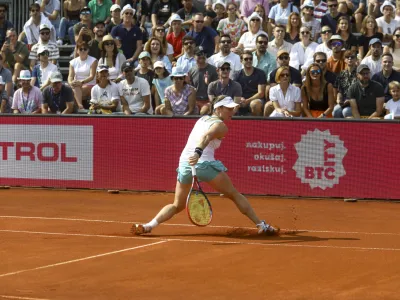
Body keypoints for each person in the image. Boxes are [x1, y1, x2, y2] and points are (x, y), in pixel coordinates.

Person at [132, 94, 280, 236]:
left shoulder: (202, 119)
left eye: (233, 108)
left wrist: (194, 155)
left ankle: (148, 226)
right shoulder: (221, 126)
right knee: (234, 194)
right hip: (203, 163)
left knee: (177, 205)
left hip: (185, 164)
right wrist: (197, 153)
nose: (232, 111)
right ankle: (261, 225)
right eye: (228, 108)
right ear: (218, 109)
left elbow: (204, 136)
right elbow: (207, 136)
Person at [234, 51, 266, 116]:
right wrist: (240, 99)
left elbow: (261, 93)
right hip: (241, 100)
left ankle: (257, 125)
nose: (249, 60)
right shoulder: (237, 74)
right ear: (241, 60)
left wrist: (247, 101)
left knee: (254, 104)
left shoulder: (260, 73)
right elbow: (234, 91)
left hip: (256, 99)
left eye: (250, 59)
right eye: (246, 59)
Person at [68, 41, 98, 110]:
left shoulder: (93, 60)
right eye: (81, 49)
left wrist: (81, 82)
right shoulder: (73, 62)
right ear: (77, 51)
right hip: (77, 85)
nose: (83, 50)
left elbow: (92, 76)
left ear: (88, 50)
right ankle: (79, 106)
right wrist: (71, 83)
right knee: (73, 89)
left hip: (90, 84)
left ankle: (78, 107)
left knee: (74, 91)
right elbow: (70, 76)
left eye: (85, 49)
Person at [189, 46, 218, 115]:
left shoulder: (213, 70)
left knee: (203, 112)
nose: (202, 56)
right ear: (194, 56)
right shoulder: (192, 70)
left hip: (208, 100)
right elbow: (191, 88)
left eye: (204, 54)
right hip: (195, 100)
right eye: (199, 54)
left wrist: (208, 83)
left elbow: (217, 89)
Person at [333, 50, 357, 118]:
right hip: (343, 102)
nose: (350, 59)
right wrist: (338, 99)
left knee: (346, 111)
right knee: (336, 110)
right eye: (347, 57)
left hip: (355, 102)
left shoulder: (359, 73)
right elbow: (339, 90)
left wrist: (349, 101)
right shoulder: (341, 74)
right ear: (344, 60)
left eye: (352, 57)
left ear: (355, 59)